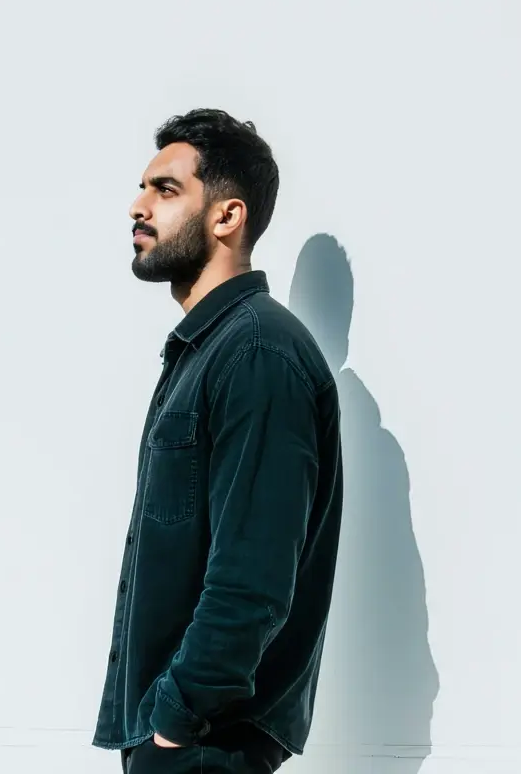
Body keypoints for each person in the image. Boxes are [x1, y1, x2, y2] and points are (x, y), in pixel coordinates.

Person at [92, 108, 344, 774]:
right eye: (144, 188)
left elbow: (253, 580)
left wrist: (174, 721)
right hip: (181, 739)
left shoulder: (258, 354)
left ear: (227, 217)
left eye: (165, 190)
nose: (137, 207)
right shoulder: (210, 353)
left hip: (204, 746)